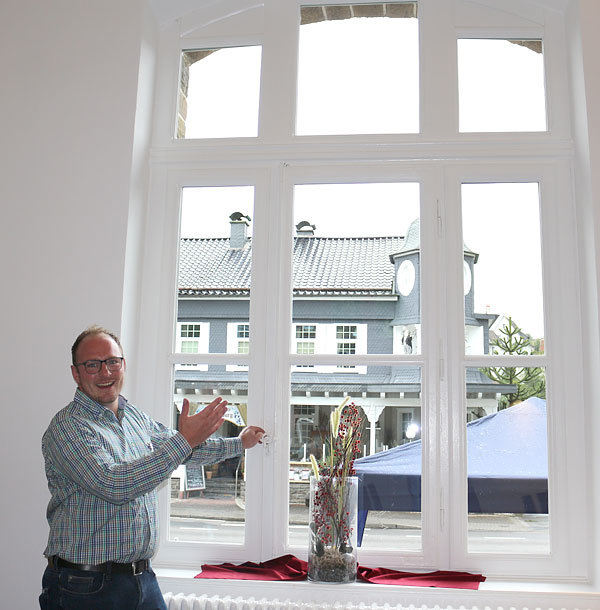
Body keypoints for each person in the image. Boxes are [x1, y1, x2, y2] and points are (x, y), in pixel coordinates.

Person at [39, 325, 265, 610]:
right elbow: (114, 484)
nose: (106, 372)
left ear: (123, 365)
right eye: (93, 365)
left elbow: (183, 450)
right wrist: (185, 440)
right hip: (84, 585)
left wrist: (239, 443)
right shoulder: (68, 427)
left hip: (141, 579)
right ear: (76, 373)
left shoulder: (133, 416)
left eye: (112, 362)